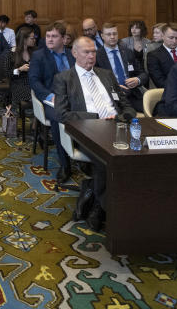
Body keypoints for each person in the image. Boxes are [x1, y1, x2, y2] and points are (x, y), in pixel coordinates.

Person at [51, 36, 136, 231]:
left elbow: (125, 105)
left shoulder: (106, 75)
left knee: (141, 155)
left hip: (119, 126)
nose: (91, 56)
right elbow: (62, 114)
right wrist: (95, 116)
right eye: (86, 52)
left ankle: (100, 195)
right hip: (87, 131)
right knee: (108, 160)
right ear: (74, 54)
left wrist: (123, 117)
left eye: (94, 52)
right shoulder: (64, 78)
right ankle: (102, 207)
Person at [29, 21, 76, 176]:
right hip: (51, 99)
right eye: (48, 36)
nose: (49, 39)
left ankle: (86, 156)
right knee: (59, 117)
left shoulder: (72, 54)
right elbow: (34, 81)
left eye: (54, 36)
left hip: (74, 98)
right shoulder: (38, 55)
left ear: (63, 39)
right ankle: (65, 164)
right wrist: (50, 96)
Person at [95, 23, 147, 112]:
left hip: (132, 94)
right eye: (108, 34)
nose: (112, 37)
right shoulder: (97, 56)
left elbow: (143, 74)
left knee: (154, 110)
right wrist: (115, 86)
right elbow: (95, 79)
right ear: (102, 36)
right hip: (111, 95)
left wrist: (137, 80)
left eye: (114, 34)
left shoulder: (127, 52)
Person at [5, 25, 37, 114]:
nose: (34, 40)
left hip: (33, 81)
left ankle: (37, 120)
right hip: (18, 83)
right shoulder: (11, 53)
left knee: (42, 91)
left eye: (34, 38)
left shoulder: (35, 52)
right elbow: (7, 73)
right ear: (24, 39)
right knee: (34, 94)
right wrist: (19, 69)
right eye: (32, 38)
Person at [147, 22, 177, 88]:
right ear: (163, 36)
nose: (174, 41)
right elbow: (160, 82)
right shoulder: (153, 56)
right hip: (170, 94)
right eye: (171, 38)